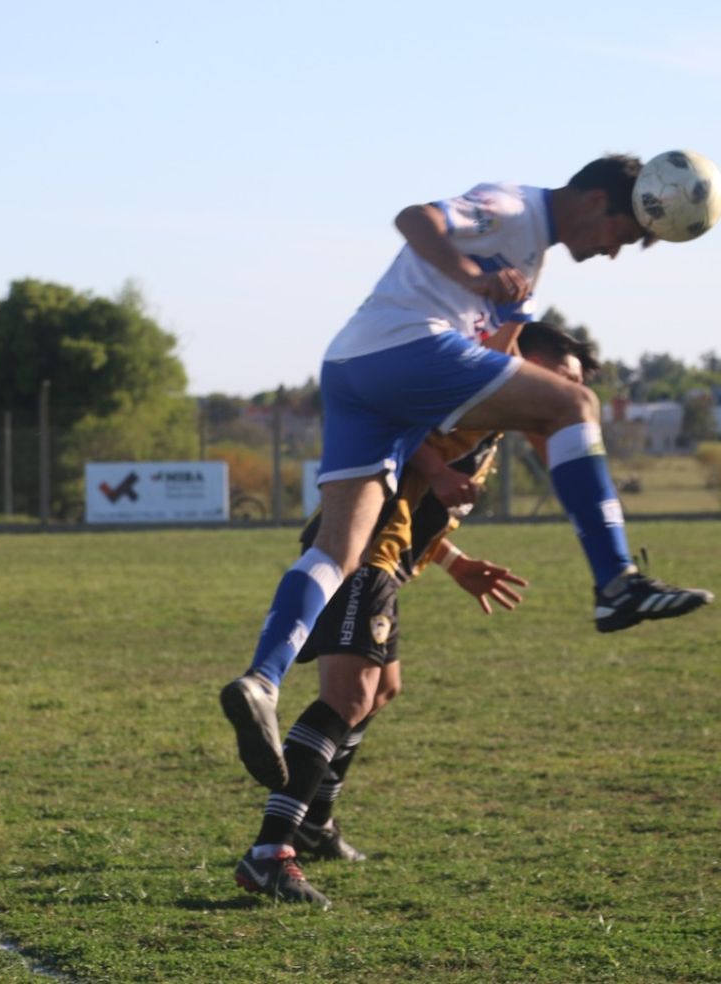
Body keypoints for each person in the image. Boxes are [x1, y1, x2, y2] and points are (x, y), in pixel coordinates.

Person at [221, 156, 715, 792]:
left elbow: (496, 358)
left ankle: (262, 679)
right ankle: (616, 580)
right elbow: (415, 218)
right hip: (404, 350)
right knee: (576, 402)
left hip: (353, 368)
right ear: (595, 202)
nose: (612, 253)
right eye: (622, 235)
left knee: (339, 548)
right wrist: (473, 273)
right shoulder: (513, 208)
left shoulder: (530, 267)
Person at [234, 323, 589, 906]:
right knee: (348, 696)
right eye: (559, 379)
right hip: (363, 551)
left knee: (380, 691)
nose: (562, 396)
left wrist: (452, 561)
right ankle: (270, 851)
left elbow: (417, 494)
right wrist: (440, 468)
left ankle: (314, 824)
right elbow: (396, 429)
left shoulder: (491, 423)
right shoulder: (467, 390)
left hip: (387, 559)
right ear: (520, 359)